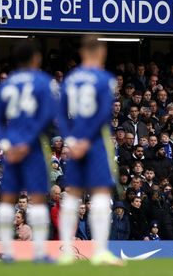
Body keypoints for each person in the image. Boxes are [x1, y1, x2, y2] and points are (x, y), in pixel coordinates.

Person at [0, 40, 57, 262]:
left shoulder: (6, 85)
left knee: (8, 198)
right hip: (34, 148)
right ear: (36, 58)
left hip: (11, 149)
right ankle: (39, 253)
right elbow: (48, 117)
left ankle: (7, 252)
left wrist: (8, 145)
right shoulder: (43, 82)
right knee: (37, 198)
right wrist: (27, 142)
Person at [58, 35, 122, 265]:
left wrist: (72, 139)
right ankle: (101, 251)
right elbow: (105, 113)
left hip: (74, 143)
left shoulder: (70, 79)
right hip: (94, 143)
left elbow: (61, 114)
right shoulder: (105, 79)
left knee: (73, 194)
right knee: (101, 195)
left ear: (83, 53)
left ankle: (65, 251)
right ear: (101, 53)